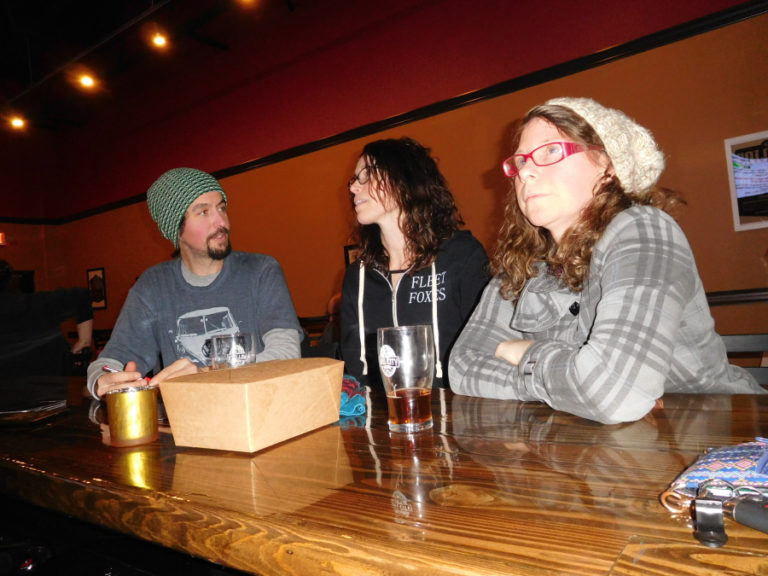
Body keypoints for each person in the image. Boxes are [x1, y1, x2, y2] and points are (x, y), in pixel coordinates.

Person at [449, 97, 765, 424]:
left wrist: (524, 353)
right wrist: (571, 381)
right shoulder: (522, 264)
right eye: (520, 162)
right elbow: (462, 366)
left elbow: (613, 394)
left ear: (608, 164)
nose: (525, 171)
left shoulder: (643, 230)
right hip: (588, 448)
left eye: (550, 151)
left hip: (720, 441)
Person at [87, 167, 302, 399]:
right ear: (176, 230)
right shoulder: (152, 286)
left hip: (260, 413)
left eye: (221, 208)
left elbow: (287, 355)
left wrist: (203, 375)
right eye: (203, 212)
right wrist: (99, 380)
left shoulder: (261, 270)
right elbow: (112, 360)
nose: (221, 222)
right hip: (185, 424)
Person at [341, 137, 490, 389]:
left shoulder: (460, 256)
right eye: (354, 180)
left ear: (404, 181)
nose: (354, 188)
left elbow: (485, 348)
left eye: (366, 176)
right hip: (381, 419)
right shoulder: (359, 276)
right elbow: (356, 369)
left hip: (455, 415)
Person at [0, 259, 93, 377]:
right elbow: (82, 296)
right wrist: (83, 341)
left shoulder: (32, 303)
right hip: (48, 384)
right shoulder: (35, 303)